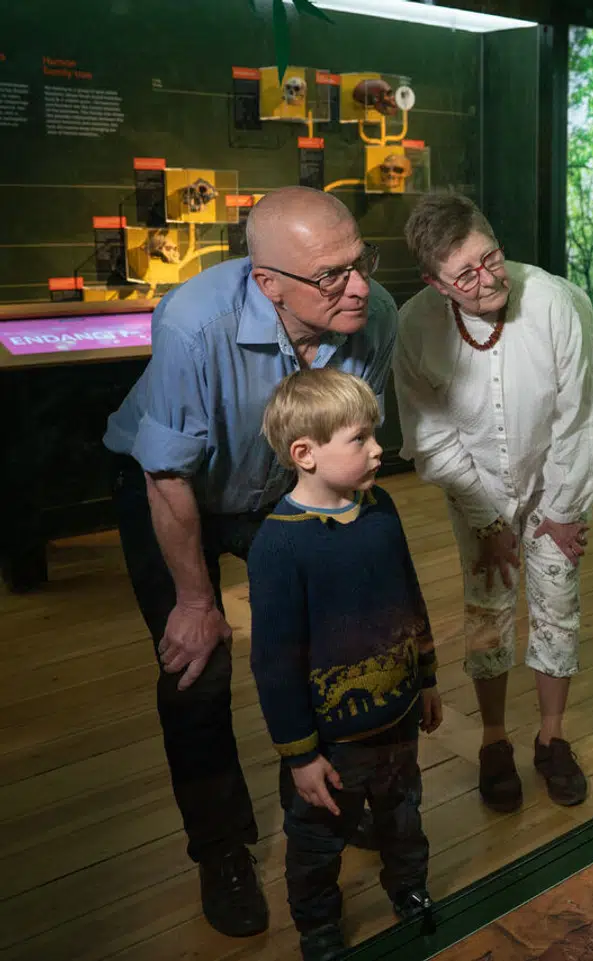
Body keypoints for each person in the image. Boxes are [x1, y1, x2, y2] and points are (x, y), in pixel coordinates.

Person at [101, 186, 396, 938]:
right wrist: (198, 602)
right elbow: (166, 475)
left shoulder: (376, 315)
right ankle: (223, 850)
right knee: (196, 672)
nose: (358, 285)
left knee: (328, 646)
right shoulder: (194, 321)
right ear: (268, 283)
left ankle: (327, 797)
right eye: (332, 275)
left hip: (283, 487)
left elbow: (348, 450)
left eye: (359, 263)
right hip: (175, 488)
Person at [393, 190, 593, 812]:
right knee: (487, 605)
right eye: (466, 274)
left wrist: (564, 508)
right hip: (473, 485)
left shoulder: (557, 302)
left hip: (553, 477)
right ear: (437, 285)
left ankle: (552, 737)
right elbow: (429, 434)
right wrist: (486, 521)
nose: (488, 279)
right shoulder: (415, 327)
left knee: (558, 599)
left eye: (492, 258)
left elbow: (579, 414)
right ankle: (492, 739)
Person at [249, 368, 441, 961]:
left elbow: (410, 596)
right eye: (359, 439)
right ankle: (319, 928)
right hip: (330, 743)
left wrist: (426, 679)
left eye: (374, 434)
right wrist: (300, 755)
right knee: (317, 841)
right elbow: (274, 663)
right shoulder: (278, 547)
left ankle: (409, 890)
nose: (379, 448)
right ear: (304, 453)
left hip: (398, 717)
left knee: (403, 817)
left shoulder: (381, 508)